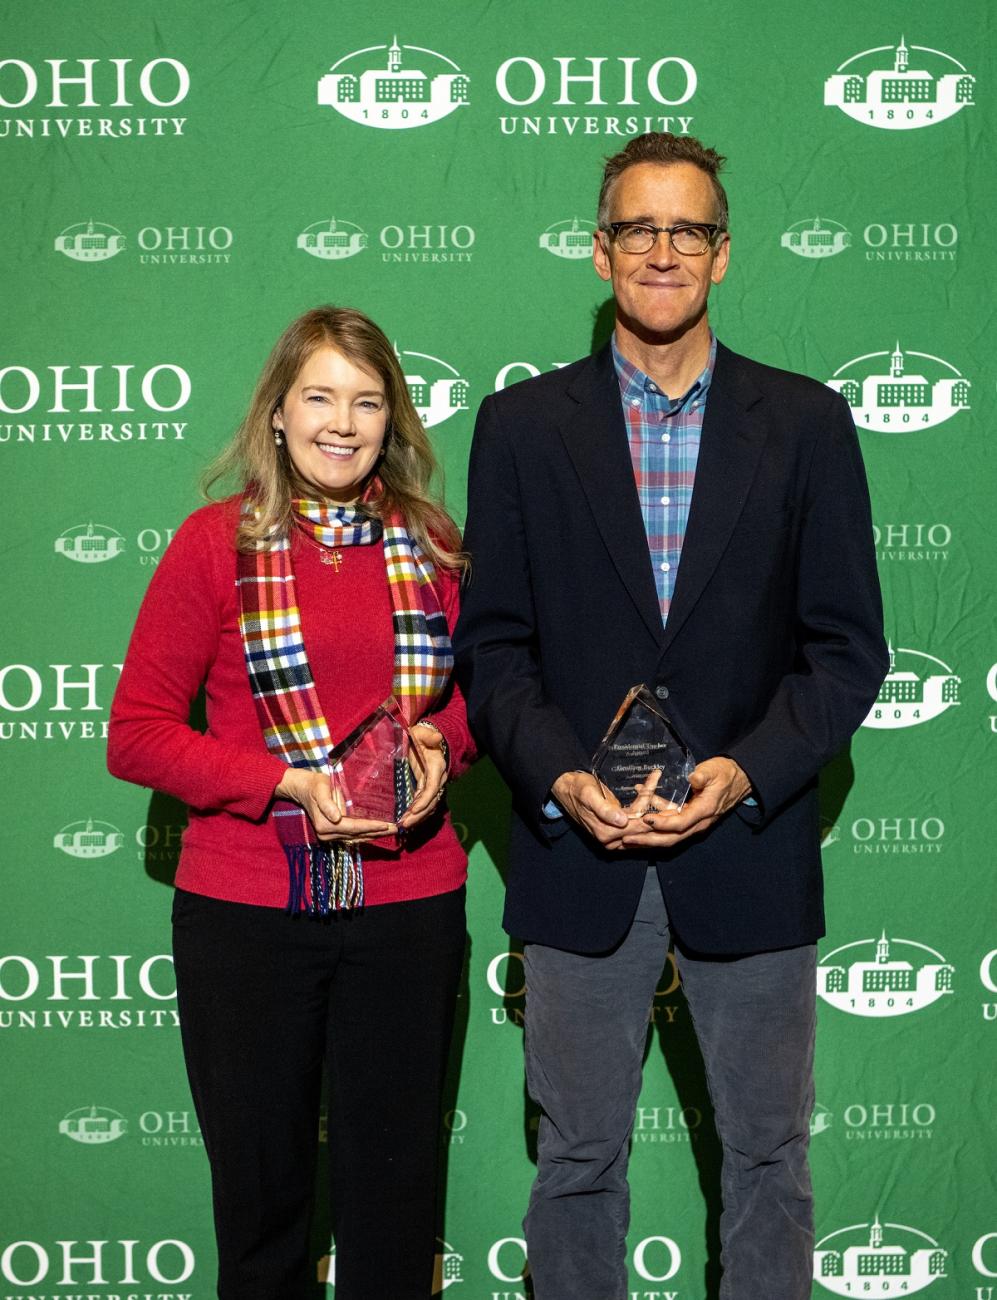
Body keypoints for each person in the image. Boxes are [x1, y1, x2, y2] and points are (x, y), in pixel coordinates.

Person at [454, 134, 888, 1300]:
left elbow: (847, 652)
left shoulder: (805, 424)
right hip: (575, 856)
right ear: (601, 251)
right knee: (578, 1163)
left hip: (747, 850)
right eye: (637, 228)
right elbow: (490, 650)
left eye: (685, 229)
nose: (661, 250)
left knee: (767, 1161)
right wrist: (557, 776)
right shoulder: (521, 428)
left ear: (723, 253)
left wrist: (746, 772)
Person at [108, 305, 474, 1300]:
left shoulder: (433, 544)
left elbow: (477, 697)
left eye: (367, 400)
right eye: (319, 396)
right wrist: (285, 782)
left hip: (406, 907)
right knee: (263, 1209)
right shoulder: (211, 544)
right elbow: (136, 732)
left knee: (395, 1212)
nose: (342, 422)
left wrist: (442, 741)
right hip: (247, 913)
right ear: (278, 411)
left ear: (392, 419)